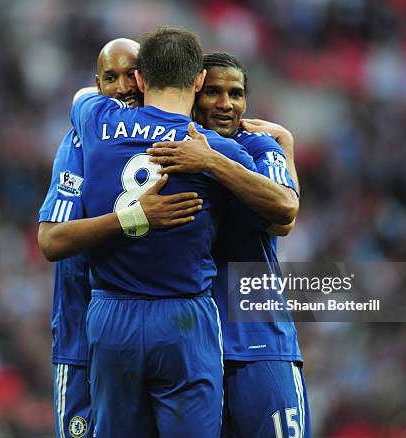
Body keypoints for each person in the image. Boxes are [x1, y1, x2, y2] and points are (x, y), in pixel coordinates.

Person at [70, 27, 293, 438]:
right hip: (184, 317)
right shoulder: (213, 147)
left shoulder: (95, 119)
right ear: (196, 82)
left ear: (138, 80)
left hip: (110, 314)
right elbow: (283, 210)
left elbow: (82, 97)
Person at [37, 38, 202, 438]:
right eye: (111, 78)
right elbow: (52, 240)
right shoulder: (81, 142)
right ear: (98, 84)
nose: (124, 86)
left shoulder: (185, 141)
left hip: (163, 335)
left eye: (132, 75)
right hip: (82, 335)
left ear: (147, 79)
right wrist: (131, 217)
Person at [148, 52, 310, 437]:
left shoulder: (256, 147)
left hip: (259, 340)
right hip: (188, 347)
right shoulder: (162, 147)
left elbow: (283, 214)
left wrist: (213, 161)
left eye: (235, 94)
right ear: (193, 93)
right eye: (214, 92)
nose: (225, 104)